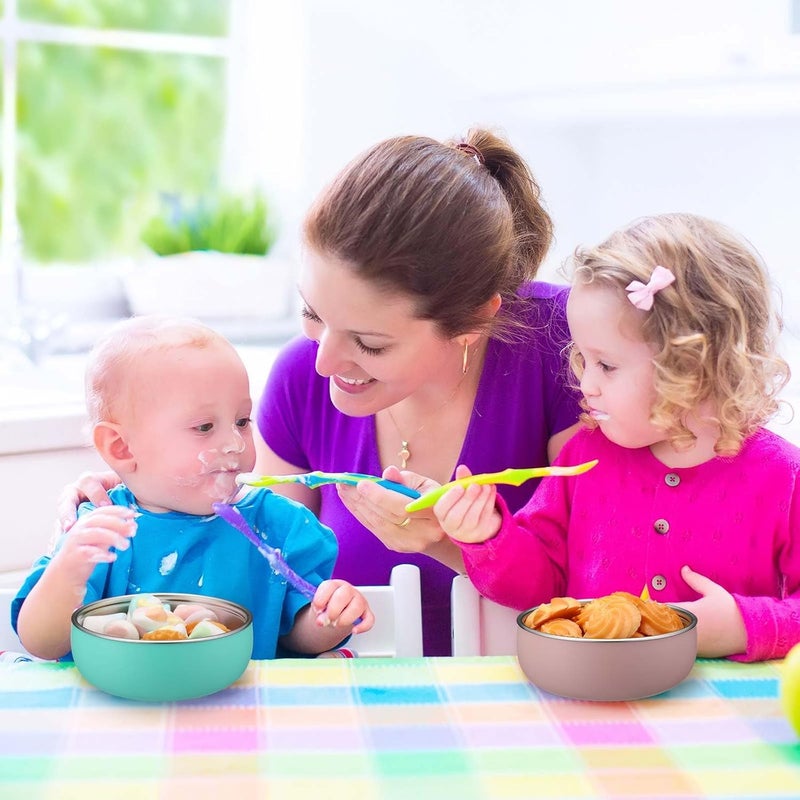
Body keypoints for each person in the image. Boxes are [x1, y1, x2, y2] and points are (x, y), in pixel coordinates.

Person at [55, 129, 582, 656]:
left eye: (369, 343)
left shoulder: (566, 349)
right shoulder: (299, 377)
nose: (324, 363)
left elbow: (605, 588)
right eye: (312, 314)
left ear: (471, 323)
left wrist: (447, 544)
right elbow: (261, 571)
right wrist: (143, 491)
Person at [426, 212, 800, 661]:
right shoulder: (583, 459)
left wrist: (743, 626)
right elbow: (537, 586)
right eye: (582, 360)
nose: (586, 385)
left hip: (733, 721)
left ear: (693, 366)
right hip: (602, 712)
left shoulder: (784, 477)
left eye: (607, 365)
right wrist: (488, 536)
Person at [13, 316, 373, 661]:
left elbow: (294, 634)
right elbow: (41, 642)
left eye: (242, 421)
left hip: (243, 712)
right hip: (120, 716)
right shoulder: (99, 534)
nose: (234, 443)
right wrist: (67, 573)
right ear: (122, 448)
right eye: (204, 427)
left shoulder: (281, 526)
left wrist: (329, 617)